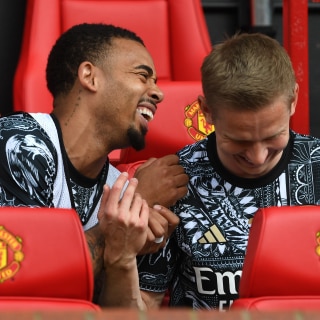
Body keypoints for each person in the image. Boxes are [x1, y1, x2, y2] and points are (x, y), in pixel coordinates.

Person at [0, 23, 189, 308]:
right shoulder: (18, 143)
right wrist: (136, 204)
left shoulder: (124, 188)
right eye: (143, 76)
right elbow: (24, 277)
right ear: (90, 76)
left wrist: (123, 259)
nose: (159, 93)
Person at [137, 32, 320, 311]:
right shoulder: (173, 183)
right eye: (239, 140)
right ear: (207, 111)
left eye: (274, 136)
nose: (257, 157)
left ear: (293, 99)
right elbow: (142, 305)